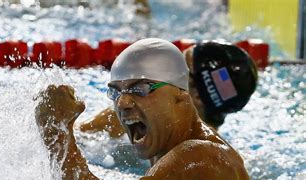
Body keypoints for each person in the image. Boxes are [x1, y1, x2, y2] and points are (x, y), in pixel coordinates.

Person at [35, 38, 255, 180]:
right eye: (115, 91)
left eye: (140, 88)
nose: (122, 102)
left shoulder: (198, 160)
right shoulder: (161, 130)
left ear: (184, 94)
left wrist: (56, 135)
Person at [78, 41, 258, 135]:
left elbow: (78, 138)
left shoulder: (133, 114)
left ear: (194, 92)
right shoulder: (224, 159)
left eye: (177, 67)